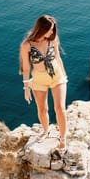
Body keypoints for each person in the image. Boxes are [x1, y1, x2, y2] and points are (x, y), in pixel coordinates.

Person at [19, 15, 68, 152]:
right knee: (42, 109)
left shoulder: (52, 40)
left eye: (53, 30)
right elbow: (26, 68)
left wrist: (64, 75)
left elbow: (58, 57)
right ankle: (46, 131)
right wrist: (26, 88)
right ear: (41, 29)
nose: (52, 33)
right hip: (38, 80)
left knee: (60, 108)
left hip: (57, 77)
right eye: (50, 30)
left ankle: (63, 138)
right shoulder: (26, 45)